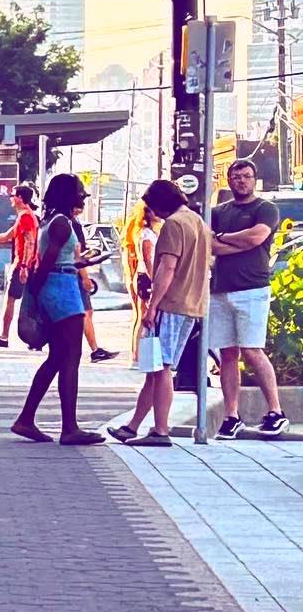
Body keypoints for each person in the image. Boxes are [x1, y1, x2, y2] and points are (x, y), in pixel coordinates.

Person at [109, 178, 210, 447]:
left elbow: (166, 268)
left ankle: (160, 430)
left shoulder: (173, 225)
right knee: (155, 369)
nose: (153, 212)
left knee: (161, 367)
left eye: (153, 206)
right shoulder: (197, 221)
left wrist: (152, 306)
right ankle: (132, 427)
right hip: (192, 304)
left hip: (171, 303)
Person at [9, 174, 105, 446]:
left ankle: (26, 418)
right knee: (70, 357)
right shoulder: (62, 223)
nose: (83, 196)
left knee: (57, 357)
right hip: (62, 291)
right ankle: (69, 427)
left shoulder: (50, 221)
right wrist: (37, 299)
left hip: (58, 287)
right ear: (68, 195)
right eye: (80, 192)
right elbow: (47, 262)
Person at [210, 158, 289, 439]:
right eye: (236, 176)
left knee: (253, 351)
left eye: (246, 176)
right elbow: (209, 243)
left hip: (252, 290)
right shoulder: (218, 211)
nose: (241, 180)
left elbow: (256, 238)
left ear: (253, 179)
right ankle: (231, 416)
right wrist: (231, 242)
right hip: (220, 290)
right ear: (228, 180)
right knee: (227, 355)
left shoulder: (265, 208)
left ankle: (276, 412)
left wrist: (223, 240)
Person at [0, 184, 40, 348]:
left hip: (21, 265)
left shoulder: (26, 216)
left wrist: (24, 266)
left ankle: (4, 337)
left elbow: (30, 242)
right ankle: (35, 339)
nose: (11, 198)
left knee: (10, 301)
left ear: (20, 198)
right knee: (29, 302)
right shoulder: (25, 216)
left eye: (13, 195)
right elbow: (7, 236)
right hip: (24, 264)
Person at [120, 199, 160, 361]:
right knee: (143, 315)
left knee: (141, 314)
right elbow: (148, 258)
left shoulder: (152, 232)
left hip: (144, 275)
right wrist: (154, 279)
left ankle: (137, 353)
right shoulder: (146, 234)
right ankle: (137, 354)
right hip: (146, 277)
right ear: (148, 213)